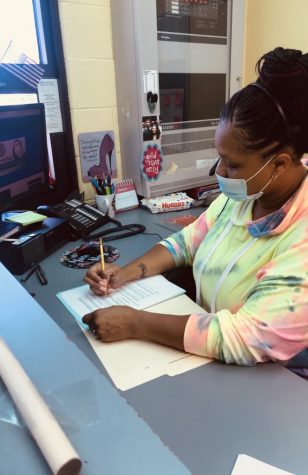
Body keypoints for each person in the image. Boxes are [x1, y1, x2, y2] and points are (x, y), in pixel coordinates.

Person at [83, 47, 308, 374]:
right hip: (209, 362)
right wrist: (125, 273)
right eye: (220, 157)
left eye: (232, 164)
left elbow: (245, 338)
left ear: (280, 164)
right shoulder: (245, 195)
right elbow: (187, 242)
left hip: (272, 381)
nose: (219, 171)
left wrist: (135, 323)